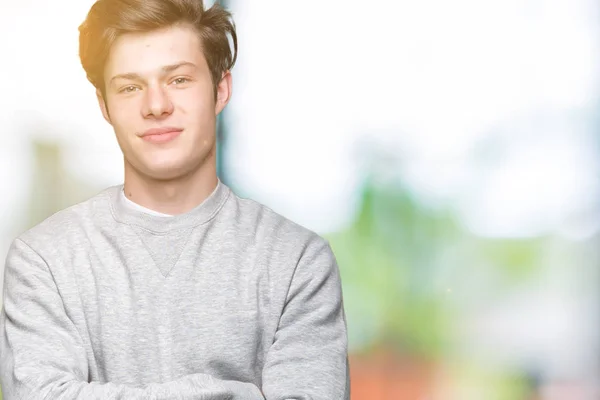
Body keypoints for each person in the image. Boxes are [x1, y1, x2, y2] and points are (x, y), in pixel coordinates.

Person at [0, 0, 350, 398]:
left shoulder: (296, 261)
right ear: (104, 106)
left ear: (221, 89)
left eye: (179, 80)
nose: (156, 106)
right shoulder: (44, 259)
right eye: (130, 87)